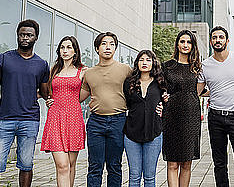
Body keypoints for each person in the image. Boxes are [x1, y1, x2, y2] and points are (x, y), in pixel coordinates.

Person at [0, 19, 50, 187]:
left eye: (29, 35)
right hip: (4, 120)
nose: (25, 38)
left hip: (30, 121)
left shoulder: (42, 64)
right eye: (21, 35)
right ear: (17, 36)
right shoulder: (3, 59)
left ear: (36, 38)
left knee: (26, 165)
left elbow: (44, 92)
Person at [197, 26, 234, 187]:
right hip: (215, 118)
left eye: (221, 37)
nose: (217, 40)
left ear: (227, 41)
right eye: (214, 37)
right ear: (211, 41)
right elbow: (196, 92)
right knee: (219, 163)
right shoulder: (205, 65)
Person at [80, 32, 132, 187]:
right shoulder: (89, 73)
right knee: (95, 167)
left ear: (115, 48)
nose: (108, 47)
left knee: (114, 166)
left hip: (118, 121)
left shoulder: (125, 70)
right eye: (103, 44)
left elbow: (141, 89)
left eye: (111, 44)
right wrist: (51, 98)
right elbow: (78, 97)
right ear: (97, 48)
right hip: (96, 122)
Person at [41, 36, 87, 187]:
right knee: (62, 165)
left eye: (69, 47)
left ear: (75, 51)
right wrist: (49, 99)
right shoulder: (53, 70)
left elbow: (89, 92)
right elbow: (46, 91)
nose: (65, 51)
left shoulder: (83, 71)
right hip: (55, 118)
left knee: (71, 165)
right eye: (62, 47)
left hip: (74, 119)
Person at [162, 30, 202, 187]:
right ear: (177, 44)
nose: (185, 45)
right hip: (171, 116)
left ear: (193, 46)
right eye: (182, 41)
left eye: (189, 42)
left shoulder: (197, 67)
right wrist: (163, 96)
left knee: (186, 163)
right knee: (172, 164)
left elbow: (201, 89)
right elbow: (160, 89)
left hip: (191, 117)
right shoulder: (167, 66)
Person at [123, 50, 165, 187]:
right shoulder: (129, 82)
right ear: (137, 63)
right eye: (141, 60)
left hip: (154, 133)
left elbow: (166, 102)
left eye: (148, 60)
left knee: (149, 177)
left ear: (153, 63)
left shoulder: (160, 82)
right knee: (134, 177)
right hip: (132, 135)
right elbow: (128, 104)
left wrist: (164, 108)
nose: (144, 63)